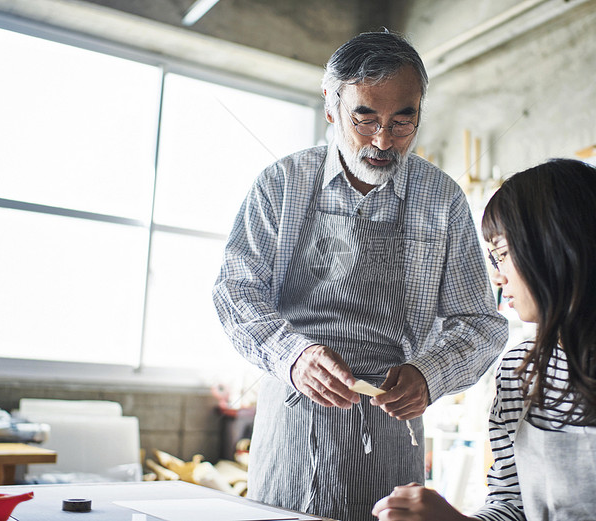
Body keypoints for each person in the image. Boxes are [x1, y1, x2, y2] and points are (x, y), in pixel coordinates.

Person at [212, 30, 507, 521]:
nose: (383, 140)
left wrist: (429, 375)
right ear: (331, 106)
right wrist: (296, 356)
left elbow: (481, 322)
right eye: (364, 117)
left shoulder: (443, 200)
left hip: (393, 440)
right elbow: (236, 293)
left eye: (402, 120)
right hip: (291, 431)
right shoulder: (281, 186)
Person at [372, 159, 596, 521]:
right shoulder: (519, 374)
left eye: (502, 255)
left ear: (557, 248)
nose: (498, 278)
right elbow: (511, 505)